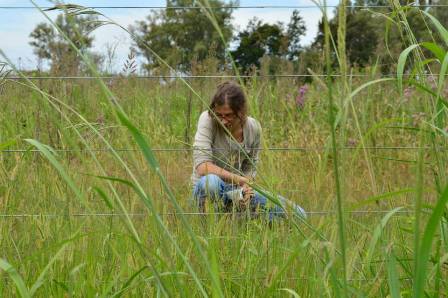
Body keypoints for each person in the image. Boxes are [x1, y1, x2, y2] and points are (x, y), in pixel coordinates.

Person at [191, 81, 306, 220]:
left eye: (228, 115)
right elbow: (203, 167)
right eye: (219, 115)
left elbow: (251, 166)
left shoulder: (254, 127)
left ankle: (236, 218)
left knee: (299, 215)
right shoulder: (207, 119)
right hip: (210, 189)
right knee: (211, 183)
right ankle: (210, 224)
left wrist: (247, 187)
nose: (223, 121)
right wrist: (240, 180)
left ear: (241, 111)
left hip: (237, 191)